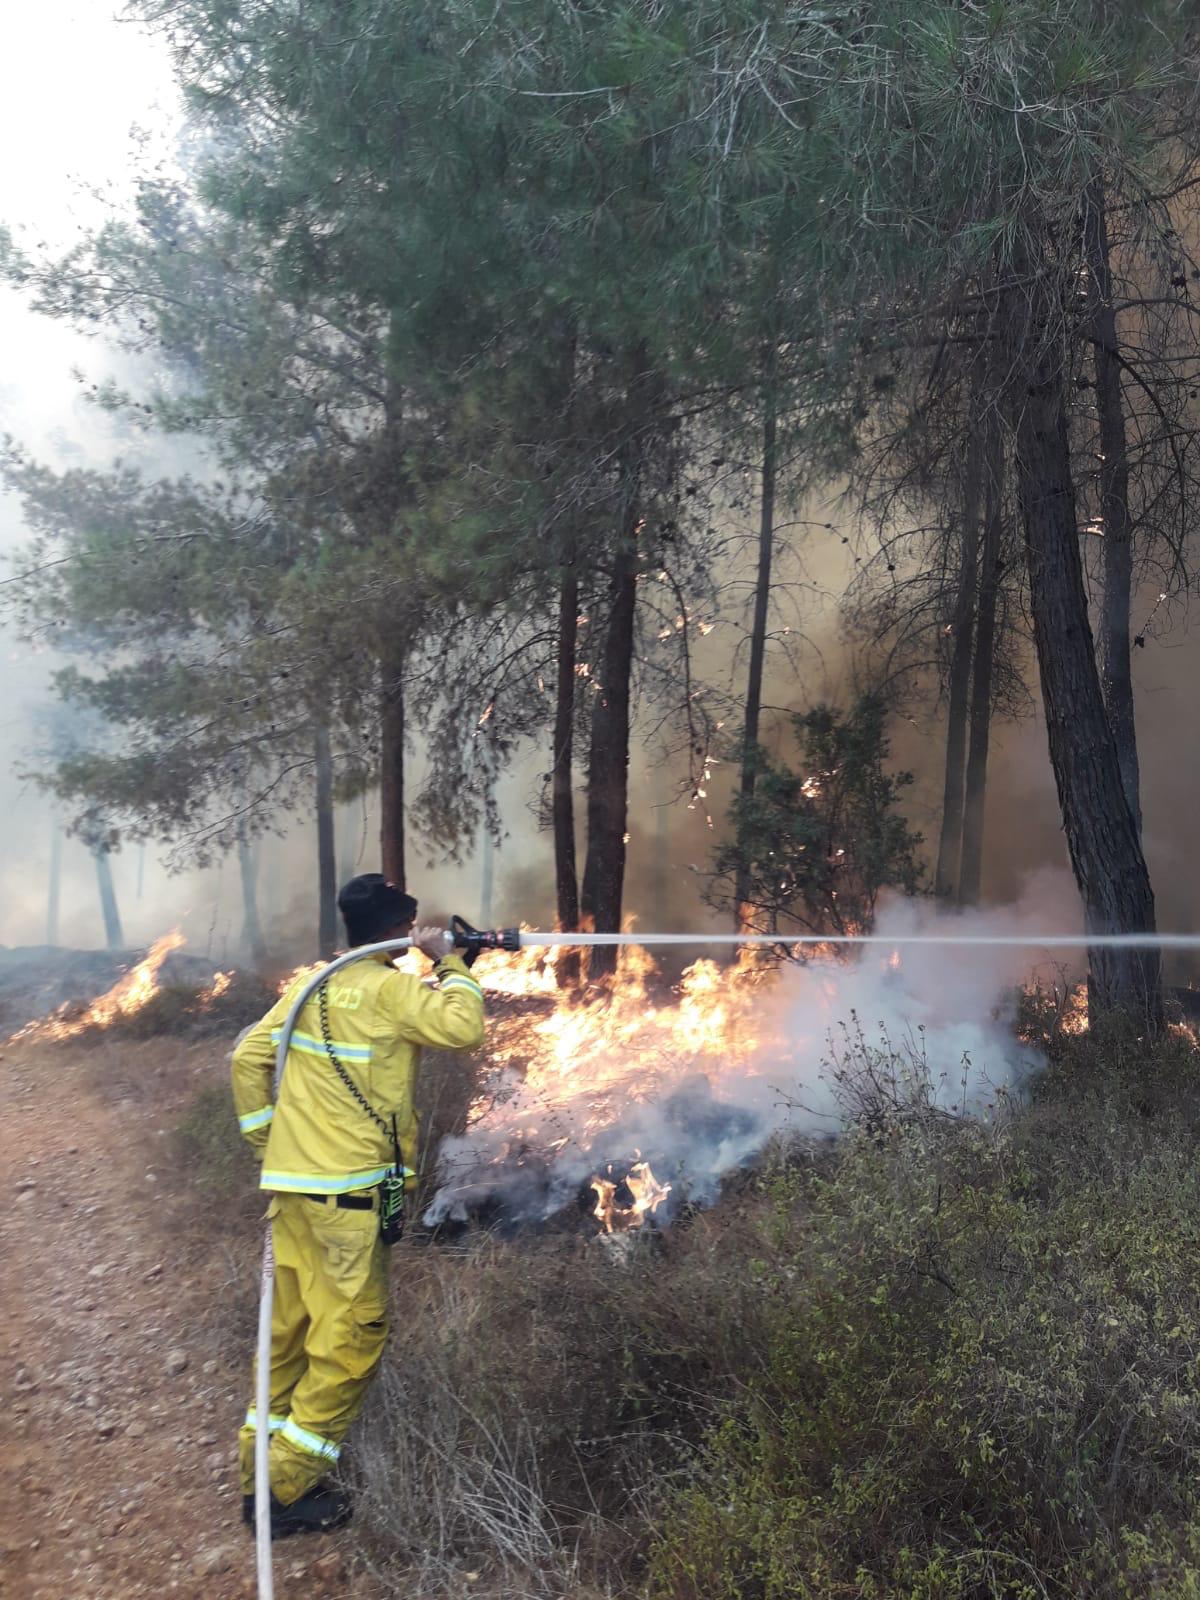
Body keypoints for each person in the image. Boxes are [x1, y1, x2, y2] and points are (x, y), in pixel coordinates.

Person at [231, 874, 485, 1537]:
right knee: (349, 1343)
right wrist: (451, 963)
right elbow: (461, 1026)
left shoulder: (312, 985)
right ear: (399, 929)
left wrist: (270, 1142)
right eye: (410, 924)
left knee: (286, 1336)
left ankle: (258, 1470)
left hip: (291, 1192)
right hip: (348, 1200)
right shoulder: (391, 988)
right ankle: (283, 1492)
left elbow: (246, 1059)